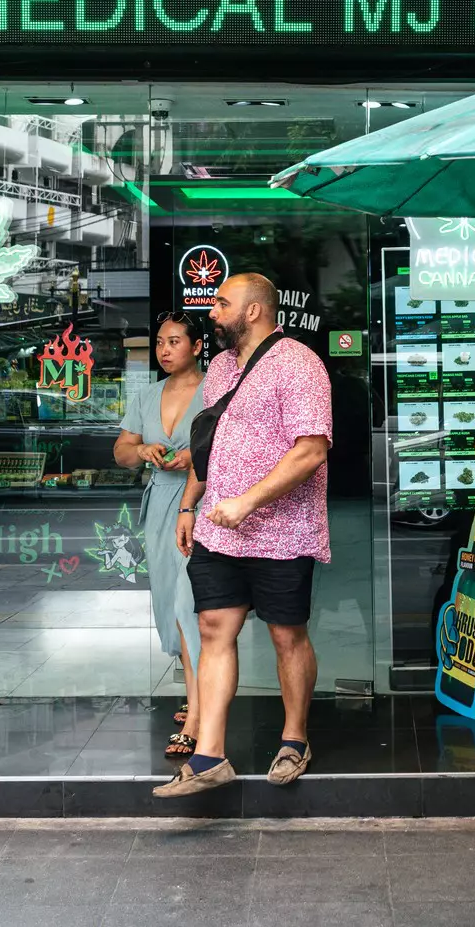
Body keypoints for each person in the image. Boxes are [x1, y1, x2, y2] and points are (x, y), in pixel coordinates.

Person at [153, 273, 332, 797]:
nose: (212, 312)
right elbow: (209, 445)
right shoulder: (222, 368)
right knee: (212, 629)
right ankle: (209, 756)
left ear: (253, 311)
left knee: (286, 635)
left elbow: (311, 450)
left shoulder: (300, 364)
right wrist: (190, 504)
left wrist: (248, 501)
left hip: (282, 532)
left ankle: (295, 739)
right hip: (219, 530)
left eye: (221, 303)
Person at [114, 311, 207, 760]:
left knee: (191, 603)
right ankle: (197, 690)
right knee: (169, 599)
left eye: (174, 341)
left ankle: (198, 718)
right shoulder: (148, 395)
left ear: (197, 346)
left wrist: (194, 456)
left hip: (202, 504)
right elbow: (122, 452)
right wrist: (142, 449)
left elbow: (229, 447)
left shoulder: (216, 391)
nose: (164, 350)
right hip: (158, 505)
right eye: (159, 343)